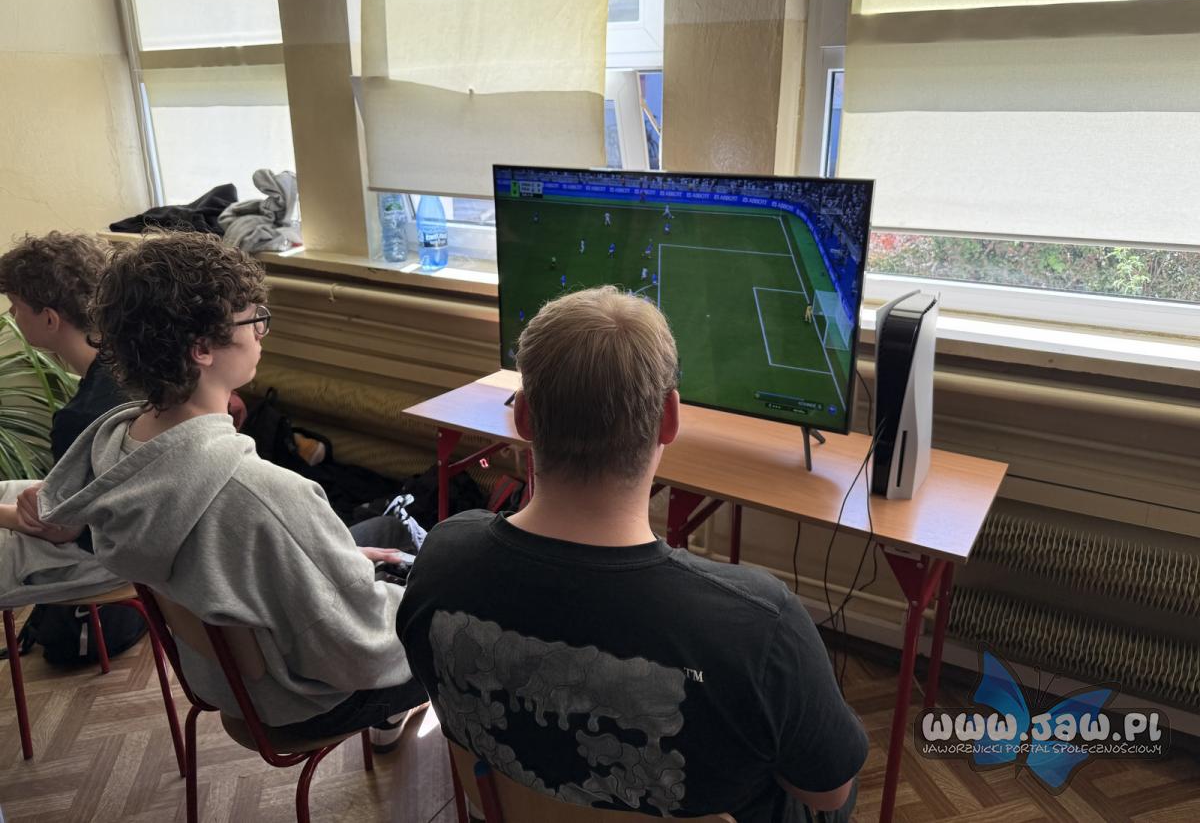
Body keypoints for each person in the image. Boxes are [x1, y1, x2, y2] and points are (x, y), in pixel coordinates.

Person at [397, 286, 866, 822]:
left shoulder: (441, 561)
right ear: (670, 419)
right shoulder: (762, 627)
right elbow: (827, 793)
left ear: (522, 416)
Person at [31, 232, 424, 744]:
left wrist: (331, 564)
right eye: (252, 319)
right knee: (463, 607)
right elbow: (357, 653)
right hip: (304, 701)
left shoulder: (114, 455)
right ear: (201, 349)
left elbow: (235, 562)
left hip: (225, 684)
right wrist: (420, 601)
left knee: (385, 532)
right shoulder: (264, 495)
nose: (260, 332)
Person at [0, 232, 128, 604]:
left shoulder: (81, 417)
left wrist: (5, 516)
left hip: (107, 554)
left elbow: (60, 529)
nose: (12, 316)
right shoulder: (135, 365)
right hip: (141, 527)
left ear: (50, 319)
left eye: (16, 306)